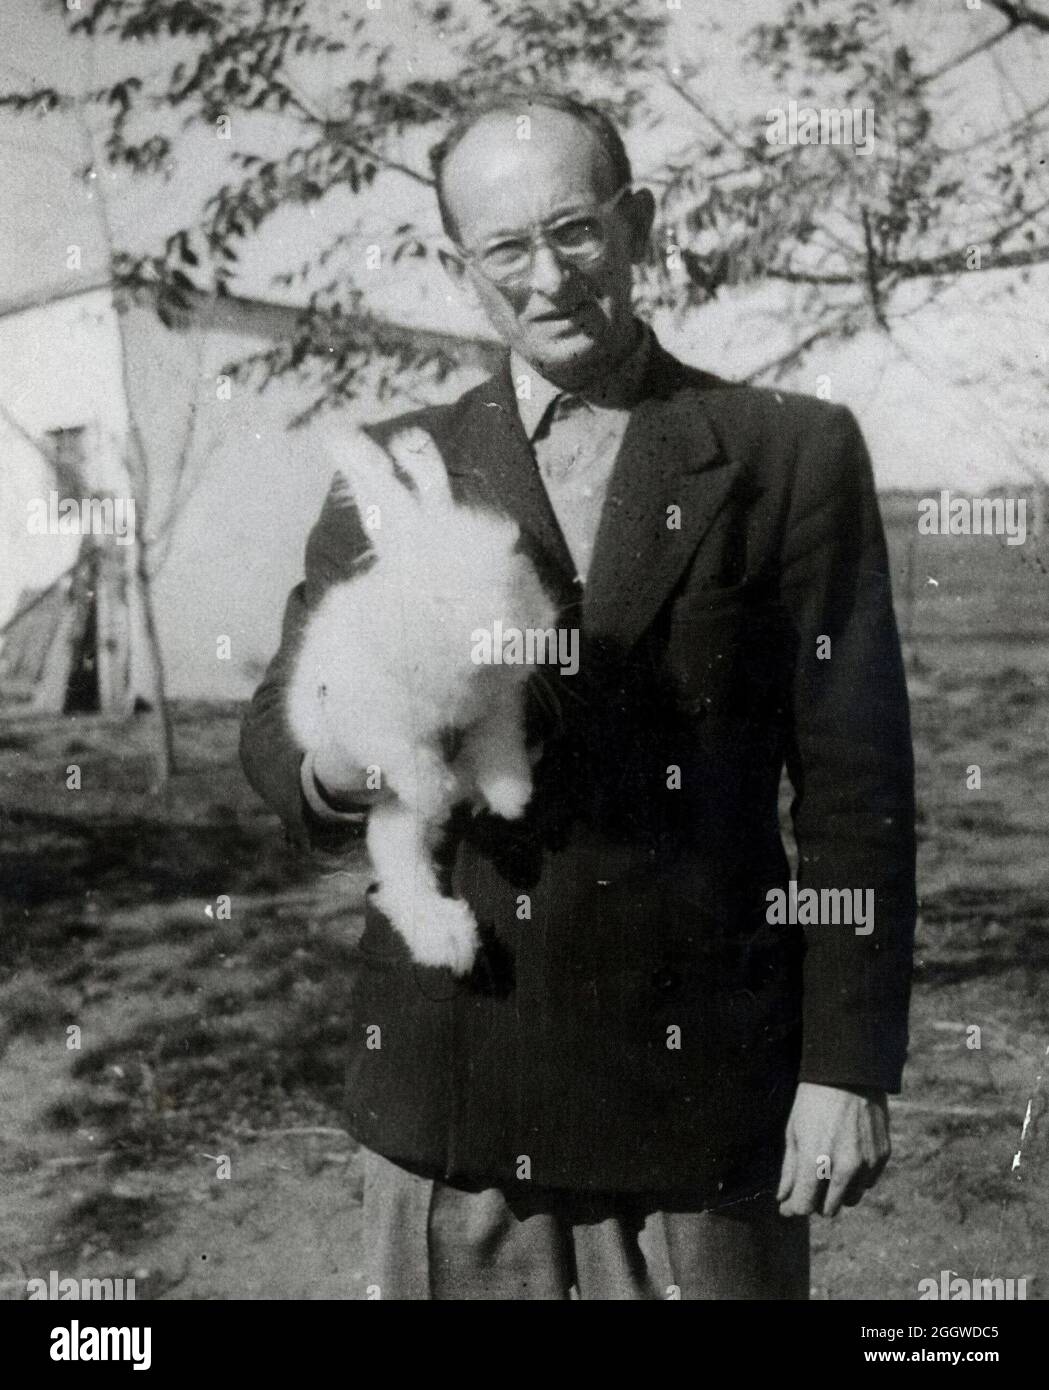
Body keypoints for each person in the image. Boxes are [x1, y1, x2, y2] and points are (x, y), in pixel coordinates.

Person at [240, 92, 917, 1300]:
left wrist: (845, 1066)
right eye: (504, 248)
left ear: (637, 225)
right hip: (460, 1086)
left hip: (703, 1098)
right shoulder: (401, 468)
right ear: (463, 273)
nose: (545, 276)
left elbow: (855, 784)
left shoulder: (783, 453)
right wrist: (345, 758)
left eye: (575, 230)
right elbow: (274, 729)